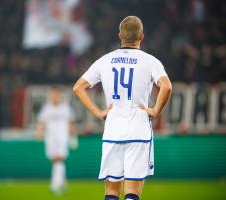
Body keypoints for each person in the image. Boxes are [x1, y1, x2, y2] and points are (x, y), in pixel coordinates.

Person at [73, 16, 172, 200]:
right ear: (141, 37)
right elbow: (166, 86)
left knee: (111, 192)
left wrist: (98, 112)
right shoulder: (150, 61)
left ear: (120, 35)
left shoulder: (105, 60)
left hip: (113, 130)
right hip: (139, 130)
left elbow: (78, 87)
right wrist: (156, 111)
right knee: (132, 191)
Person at [36, 86, 77, 195]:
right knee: (54, 160)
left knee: (59, 159)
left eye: (56, 95)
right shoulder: (47, 108)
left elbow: (71, 123)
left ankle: (55, 185)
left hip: (63, 137)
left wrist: (73, 138)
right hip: (50, 138)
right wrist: (39, 132)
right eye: (52, 95)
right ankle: (62, 182)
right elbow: (41, 121)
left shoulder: (65, 108)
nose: (54, 97)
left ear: (59, 96)